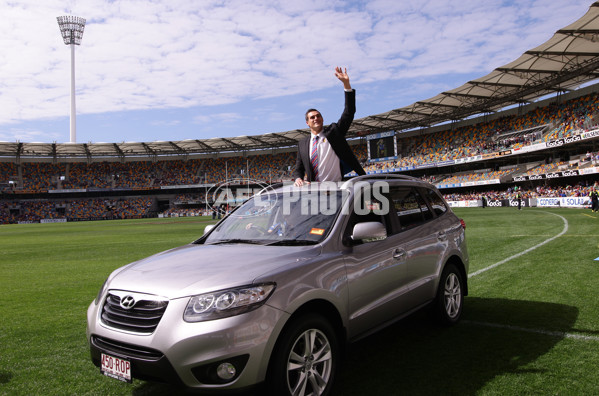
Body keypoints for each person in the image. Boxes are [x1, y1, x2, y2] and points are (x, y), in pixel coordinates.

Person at [293, 67, 366, 186]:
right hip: (315, 190)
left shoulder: (334, 132)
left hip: (336, 188)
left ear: (322, 118)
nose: (316, 118)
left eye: (318, 116)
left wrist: (346, 84)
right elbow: (299, 169)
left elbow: (349, 112)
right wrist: (298, 178)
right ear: (307, 123)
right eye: (312, 117)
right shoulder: (302, 144)